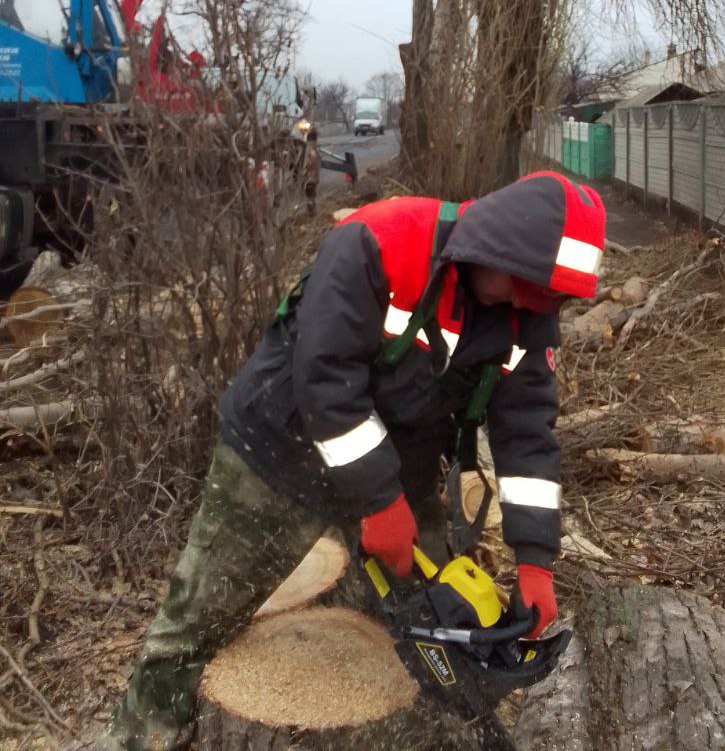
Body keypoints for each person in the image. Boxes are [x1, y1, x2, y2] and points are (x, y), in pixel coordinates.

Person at [97, 170, 606, 751]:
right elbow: (326, 379)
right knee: (191, 630)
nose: (528, 306)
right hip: (278, 455)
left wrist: (536, 560)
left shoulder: (527, 323)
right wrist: (379, 502)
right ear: (498, 246)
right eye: (527, 289)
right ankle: (138, 738)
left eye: (547, 300)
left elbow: (528, 436)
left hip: (399, 467)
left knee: (432, 644)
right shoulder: (382, 240)